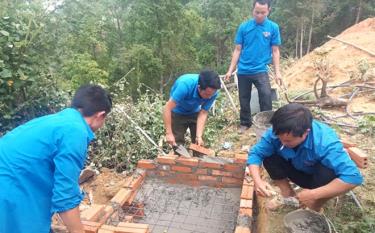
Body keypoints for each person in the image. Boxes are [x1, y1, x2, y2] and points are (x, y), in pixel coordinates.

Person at [0, 84, 112, 233]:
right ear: (100, 115)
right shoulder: (75, 132)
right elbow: (65, 196)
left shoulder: (58, 121)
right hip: (11, 191)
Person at [247, 103, 363, 211]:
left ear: (306, 132)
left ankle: (315, 205)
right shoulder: (279, 131)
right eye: (279, 138)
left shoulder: (325, 142)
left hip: (316, 179)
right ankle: (288, 195)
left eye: (288, 140)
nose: (282, 142)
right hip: (296, 170)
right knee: (269, 156)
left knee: (329, 171)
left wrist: (314, 194)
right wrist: (258, 182)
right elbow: (256, 154)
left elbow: (353, 177)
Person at [225, 0, 282, 133]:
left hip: (261, 70)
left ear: (269, 11)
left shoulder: (273, 27)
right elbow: (237, 50)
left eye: (263, 12)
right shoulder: (244, 27)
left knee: (266, 96)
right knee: (244, 98)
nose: (259, 15)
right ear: (252, 10)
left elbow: (275, 51)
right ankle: (245, 123)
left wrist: (278, 72)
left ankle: (267, 123)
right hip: (243, 70)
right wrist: (230, 70)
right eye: (257, 12)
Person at [163, 69, 221, 150]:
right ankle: (180, 160)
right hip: (178, 112)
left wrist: (199, 136)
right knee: (178, 144)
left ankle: (198, 160)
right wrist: (169, 133)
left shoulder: (213, 92)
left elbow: (203, 112)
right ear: (199, 88)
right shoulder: (184, 85)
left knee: (198, 144)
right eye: (207, 94)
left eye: (212, 94)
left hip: (195, 111)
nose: (209, 97)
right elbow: (167, 108)